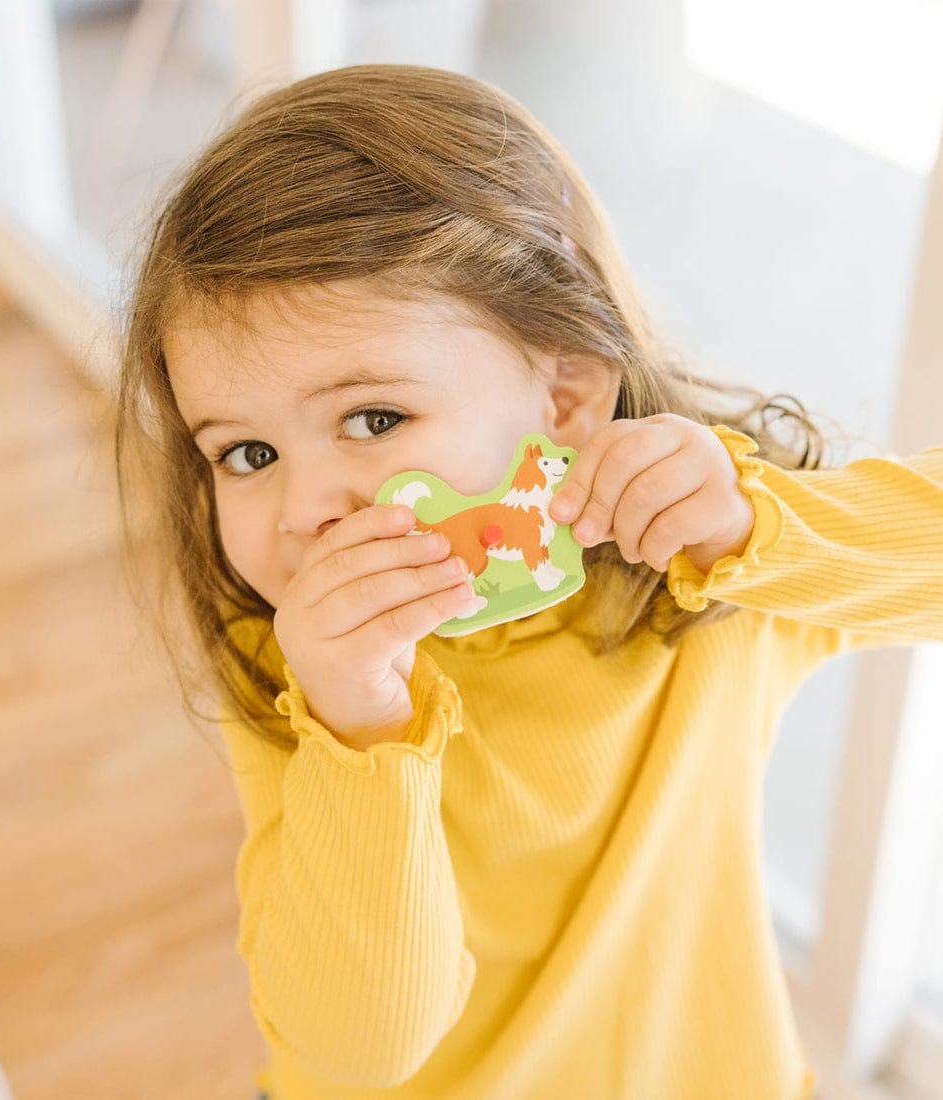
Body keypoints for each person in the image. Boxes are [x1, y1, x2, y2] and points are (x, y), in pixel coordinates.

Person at [114, 64, 943, 1100]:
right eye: (244, 452)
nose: (302, 508)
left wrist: (762, 530)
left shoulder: (704, 574)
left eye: (371, 420)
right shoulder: (291, 661)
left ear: (562, 395)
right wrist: (360, 730)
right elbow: (360, 1045)